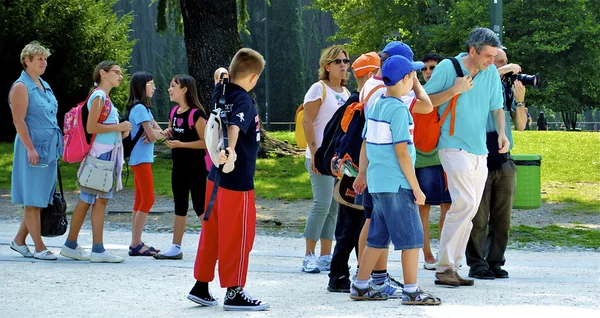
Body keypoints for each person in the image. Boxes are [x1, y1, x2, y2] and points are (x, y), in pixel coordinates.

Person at [350, 55, 441, 305]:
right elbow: (402, 152)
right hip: (398, 183)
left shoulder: (378, 103)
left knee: (377, 238)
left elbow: (366, 143)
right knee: (412, 238)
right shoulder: (400, 109)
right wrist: (416, 187)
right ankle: (412, 291)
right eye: (412, 75)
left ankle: (360, 285)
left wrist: (363, 174)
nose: (415, 78)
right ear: (406, 78)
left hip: (378, 182)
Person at [425, 27, 508, 287]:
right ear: (472, 50)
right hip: (452, 145)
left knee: (469, 208)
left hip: (480, 150)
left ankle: (452, 266)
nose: (492, 61)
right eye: (487, 56)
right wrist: (454, 90)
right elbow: (424, 101)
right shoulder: (448, 68)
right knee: (465, 203)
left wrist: (502, 134)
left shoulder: (491, 72)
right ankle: (445, 266)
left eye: (494, 56)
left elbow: (497, 107)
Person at [187, 48, 269, 311]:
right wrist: (231, 148)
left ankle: (201, 285)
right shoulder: (245, 100)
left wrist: (225, 73)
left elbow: (219, 73)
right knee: (239, 235)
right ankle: (234, 292)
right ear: (254, 78)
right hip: (237, 179)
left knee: (211, 233)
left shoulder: (220, 91)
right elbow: (234, 126)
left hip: (215, 178)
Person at [60, 61, 132, 263]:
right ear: (103, 73)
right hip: (102, 156)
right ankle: (96, 249)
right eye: (116, 72)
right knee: (97, 201)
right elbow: (92, 127)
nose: (120, 76)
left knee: (89, 199)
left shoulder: (102, 97)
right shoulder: (100, 97)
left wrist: (120, 130)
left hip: (102, 153)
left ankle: (72, 244)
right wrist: (119, 126)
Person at [466, 47, 526, 279]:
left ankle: (495, 262)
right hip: (480, 155)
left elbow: (520, 125)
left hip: (504, 158)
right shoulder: (478, 82)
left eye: (503, 61)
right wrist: (503, 70)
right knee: (478, 217)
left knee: (503, 219)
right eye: (494, 60)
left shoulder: (506, 90)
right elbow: (483, 78)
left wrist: (519, 101)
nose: (499, 64)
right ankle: (477, 263)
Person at [327, 52, 378, 293]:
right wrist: (361, 174)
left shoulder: (359, 101)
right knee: (350, 228)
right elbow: (353, 143)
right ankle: (338, 276)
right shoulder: (360, 104)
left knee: (357, 225)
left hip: (354, 174)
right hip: (356, 175)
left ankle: (359, 273)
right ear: (370, 74)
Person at [9, 41, 63, 261]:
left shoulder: (44, 84)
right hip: (33, 147)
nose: (44, 62)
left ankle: (19, 241)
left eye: (45, 58)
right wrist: (30, 148)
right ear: (27, 61)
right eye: (39, 58)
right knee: (33, 199)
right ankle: (39, 246)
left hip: (48, 148)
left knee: (41, 198)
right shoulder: (21, 87)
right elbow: (18, 120)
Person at [301, 45, 351, 273]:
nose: (343, 65)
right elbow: (307, 122)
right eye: (338, 61)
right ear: (326, 66)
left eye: (345, 61)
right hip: (320, 157)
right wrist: (314, 153)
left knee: (333, 208)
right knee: (321, 204)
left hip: (337, 160)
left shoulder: (347, 93)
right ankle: (308, 256)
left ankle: (325, 256)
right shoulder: (318, 89)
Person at [154, 75, 208, 260]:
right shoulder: (174, 112)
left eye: (173, 86)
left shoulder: (196, 114)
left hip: (197, 169)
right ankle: (176, 247)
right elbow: (172, 134)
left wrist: (181, 145)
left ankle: (213, 245)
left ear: (185, 89)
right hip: (178, 168)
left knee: (200, 207)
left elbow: (206, 143)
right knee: (180, 206)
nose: (169, 89)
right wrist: (169, 133)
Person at [416, 53, 452, 270]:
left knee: (448, 206)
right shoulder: (417, 92)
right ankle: (427, 254)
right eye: (425, 69)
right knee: (425, 207)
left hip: (445, 155)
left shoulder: (449, 92)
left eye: (433, 68)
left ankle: (444, 251)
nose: (428, 72)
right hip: (423, 157)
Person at [126, 71, 162, 257]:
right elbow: (155, 134)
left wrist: (154, 134)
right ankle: (135, 243)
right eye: (151, 84)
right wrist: (154, 134)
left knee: (140, 200)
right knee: (148, 199)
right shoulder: (140, 109)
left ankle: (136, 241)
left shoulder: (144, 109)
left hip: (140, 159)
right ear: (142, 86)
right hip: (140, 159)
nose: (154, 87)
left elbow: (159, 133)